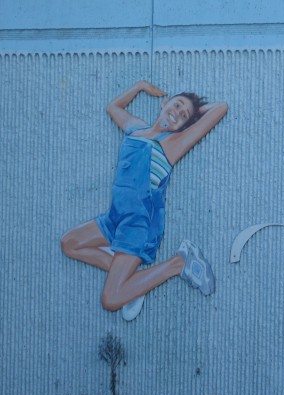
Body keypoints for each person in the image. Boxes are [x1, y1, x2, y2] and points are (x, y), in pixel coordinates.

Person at [61, 80, 228, 320]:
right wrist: (140, 86)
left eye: (183, 115)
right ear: (165, 103)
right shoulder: (136, 129)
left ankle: (179, 263)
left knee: (110, 300)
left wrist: (194, 112)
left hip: (138, 225)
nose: (177, 113)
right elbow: (113, 108)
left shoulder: (173, 144)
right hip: (115, 218)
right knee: (70, 243)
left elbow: (221, 108)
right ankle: (133, 284)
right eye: (177, 105)